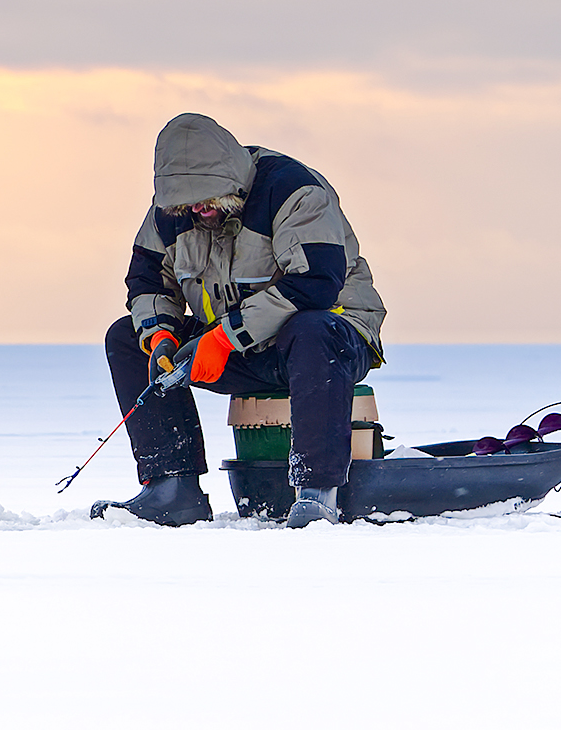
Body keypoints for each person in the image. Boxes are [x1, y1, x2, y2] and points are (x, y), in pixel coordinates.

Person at [91, 113, 387, 528]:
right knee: (126, 337)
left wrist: (224, 339)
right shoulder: (169, 213)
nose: (196, 209)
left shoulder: (294, 192)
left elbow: (315, 285)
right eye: (186, 202)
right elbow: (146, 282)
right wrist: (161, 334)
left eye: (205, 198)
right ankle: (172, 489)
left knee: (312, 328)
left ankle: (316, 494)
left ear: (231, 179)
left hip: (331, 341)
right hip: (238, 347)